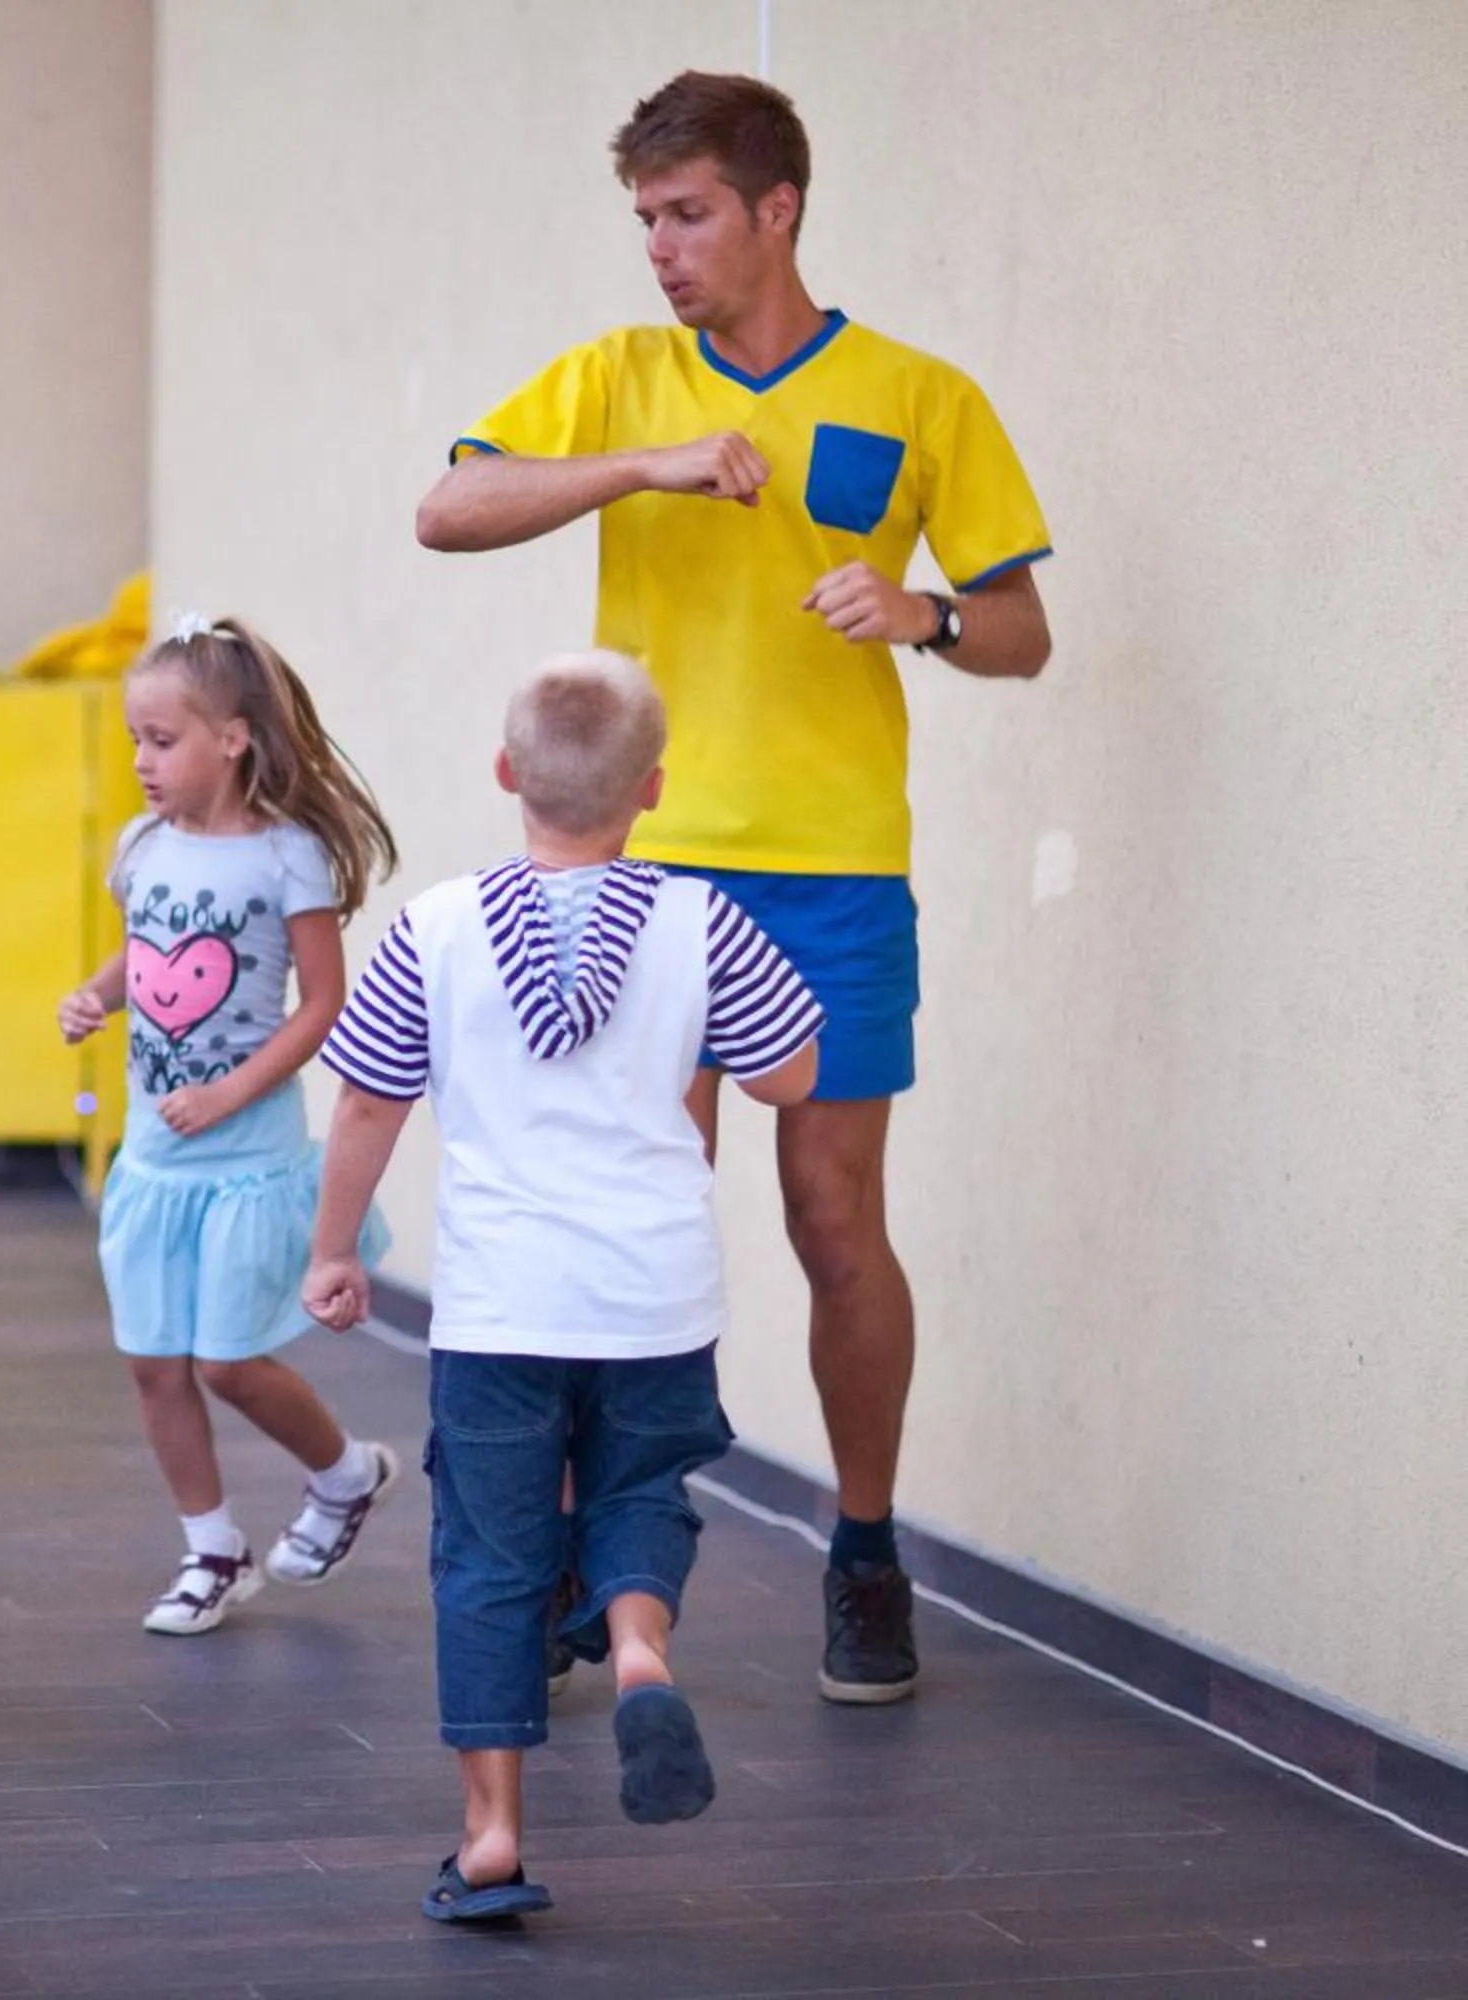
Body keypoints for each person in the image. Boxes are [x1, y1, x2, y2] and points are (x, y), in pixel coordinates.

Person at [413, 71, 1056, 1703]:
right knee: (626, 1213)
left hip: (837, 869)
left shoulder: (924, 395)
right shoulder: (622, 380)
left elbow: (1023, 629)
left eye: (687, 212)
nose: (661, 248)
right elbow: (448, 507)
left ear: (779, 211)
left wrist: (925, 619)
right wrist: (636, 472)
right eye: (643, 218)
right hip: (651, 871)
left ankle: (865, 1552)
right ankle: (594, 1559)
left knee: (835, 1221)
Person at [306, 652, 823, 1921]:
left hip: (499, 1305)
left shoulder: (432, 928)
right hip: (654, 1297)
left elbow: (371, 1098)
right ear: (652, 788)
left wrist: (331, 1249)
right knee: (640, 1487)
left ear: (504, 774)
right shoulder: (703, 922)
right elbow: (794, 1075)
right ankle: (639, 1647)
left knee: (488, 1555)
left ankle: (490, 1836)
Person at [55, 615, 400, 1637]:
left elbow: (322, 1005)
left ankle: (344, 1475)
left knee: (227, 1361)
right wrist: (98, 993)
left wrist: (228, 1093)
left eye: (162, 741)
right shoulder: (142, 846)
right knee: (155, 1361)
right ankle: (213, 1547)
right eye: (135, 741)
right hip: (155, 1163)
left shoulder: (288, 858)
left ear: (234, 738)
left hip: (245, 1163)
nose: (142, 761)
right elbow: (148, 953)